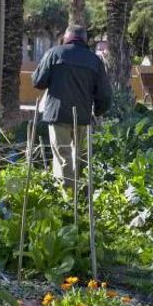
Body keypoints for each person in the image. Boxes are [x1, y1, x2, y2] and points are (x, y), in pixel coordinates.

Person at [32, 25, 112, 187]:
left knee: (63, 155)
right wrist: (98, 111)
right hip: (82, 116)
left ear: (66, 38)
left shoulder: (54, 53)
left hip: (57, 114)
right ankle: (79, 193)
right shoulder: (94, 60)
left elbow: (38, 82)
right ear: (85, 40)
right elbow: (104, 93)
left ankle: (67, 197)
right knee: (78, 156)